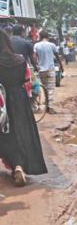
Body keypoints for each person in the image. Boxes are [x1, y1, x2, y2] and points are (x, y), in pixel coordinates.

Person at [0, 30, 47, 187]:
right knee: (22, 132)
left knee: (6, 134)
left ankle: (14, 164)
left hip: (2, 101)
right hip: (20, 99)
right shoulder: (20, 60)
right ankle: (19, 166)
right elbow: (28, 82)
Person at [34, 31, 59, 114]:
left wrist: (36, 66)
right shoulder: (52, 45)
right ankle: (50, 108)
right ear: (47, 36)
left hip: (41, 70)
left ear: (40, 36)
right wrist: (61, 66)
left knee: (43, 88)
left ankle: (43, 106)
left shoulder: (36, 45)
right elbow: (57, 55)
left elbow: (34, 56)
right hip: (50, 69)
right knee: (50, 89)